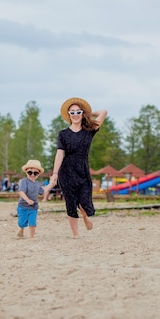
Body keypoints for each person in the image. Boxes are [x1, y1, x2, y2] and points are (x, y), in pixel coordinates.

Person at [45, 97, 108, 237]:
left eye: (78, 112)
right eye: (72, 112)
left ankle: (85, 216)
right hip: (66, 172)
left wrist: (87, 113)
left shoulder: (89, 130)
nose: (75, 115)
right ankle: (76, 235)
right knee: (71, 203)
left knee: (84, 202)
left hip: (83, 170)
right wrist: (55, 174)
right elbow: (59, 154)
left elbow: (104, 112)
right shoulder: (63, 134)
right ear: (68, 115)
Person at [17, 159, 49, 238]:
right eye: (30, 172)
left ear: (38, 174)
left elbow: (43, 191)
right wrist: (27, 200)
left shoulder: (37, 184)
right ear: (26, 172)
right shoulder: (24, 181)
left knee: (32, 222)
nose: (32, 175)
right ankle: (21, 229)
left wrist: (51, 183)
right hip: (23, 206)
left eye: (35, 173)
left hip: (33, 207)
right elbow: (21, 192)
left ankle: (31, 237)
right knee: (21, 223)